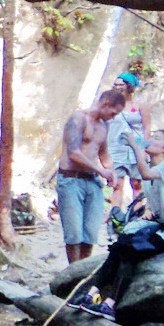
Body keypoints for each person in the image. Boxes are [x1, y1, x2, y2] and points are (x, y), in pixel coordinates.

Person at [69, 129, 164, 320]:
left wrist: (135, 145)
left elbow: (146, 173)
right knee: (119, 247)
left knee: (126, 251)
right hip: (157, 229)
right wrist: (149, 210)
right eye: (152, 137)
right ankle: (92, 296)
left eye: (157, 138)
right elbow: (155, 195)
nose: (151, 140)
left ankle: (109, 305)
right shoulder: (153, 171)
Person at [56, 88, 127, 264]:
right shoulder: (78, 118)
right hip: (70, 179)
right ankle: (73, 272)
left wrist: (112, 172)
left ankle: (83, 270)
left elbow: (103, 153)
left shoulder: (105, 125)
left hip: (92, 181)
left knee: (90, 232)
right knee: (74, 233)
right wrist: (100, 170)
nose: (114, 116)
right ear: (105, 104)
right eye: (113, 112)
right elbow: (73, 152)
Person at [106, 72, 152, 221]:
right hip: (116, 148)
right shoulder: (110, 104)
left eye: (121, 85)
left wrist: (145, 148)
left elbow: (146, 127)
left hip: (136, 149)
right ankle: (115, 216)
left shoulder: (140, 104)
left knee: (137, 183)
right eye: (116, 84)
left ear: (129, 87)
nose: (118, 87)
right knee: (117, 184)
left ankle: (136, 214)